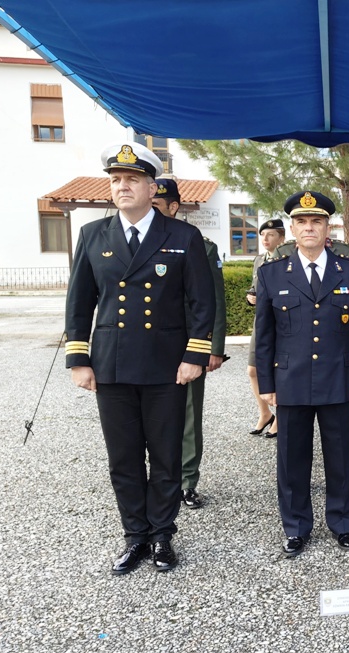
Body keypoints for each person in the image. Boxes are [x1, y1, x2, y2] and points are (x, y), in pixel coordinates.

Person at [65, 142, 215, 574]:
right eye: (116, 180)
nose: (122, 186)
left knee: (166, 456)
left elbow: (201, 303)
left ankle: (162, 535)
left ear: (152, 188)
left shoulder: (182, 236)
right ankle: (135, 536)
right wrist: (79, 358)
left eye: (132, 179)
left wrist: (195, 355)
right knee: (124, 458)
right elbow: (80, 302)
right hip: (112, 365)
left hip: (166, 365)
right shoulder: (93, 235)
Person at [254, 190, 349, 557]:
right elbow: (265, 337)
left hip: (338, 379)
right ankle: (295, 527)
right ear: (292, 229)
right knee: (292, 460)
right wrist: (266, 385)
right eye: (302, 222)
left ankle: (343, 523)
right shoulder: (271, 274)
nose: (309, 227)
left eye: (316, 221)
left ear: (327, 228)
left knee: (341, 458)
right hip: (290, 381)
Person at [150, 178, 227, 510]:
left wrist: (213, 347)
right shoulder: (132, 243)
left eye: (156, 205)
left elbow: (214, 300)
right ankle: (156, 479)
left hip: (188, 344)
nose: (150, 211)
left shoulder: (200, 245)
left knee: (188, 416)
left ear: (173, 207)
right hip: (149, 344)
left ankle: (186, 481)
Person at [246, 218, 286, 437]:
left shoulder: (288, 259)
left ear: (282, 238)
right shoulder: (259, 260)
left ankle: (280, 417)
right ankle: (264, 413)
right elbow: (254, 288)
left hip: (282, 321)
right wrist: (251, 297)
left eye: (271, 235)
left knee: (279, 370)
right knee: (253, 370)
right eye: (262, 235)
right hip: (261, 322)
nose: (265, 239)